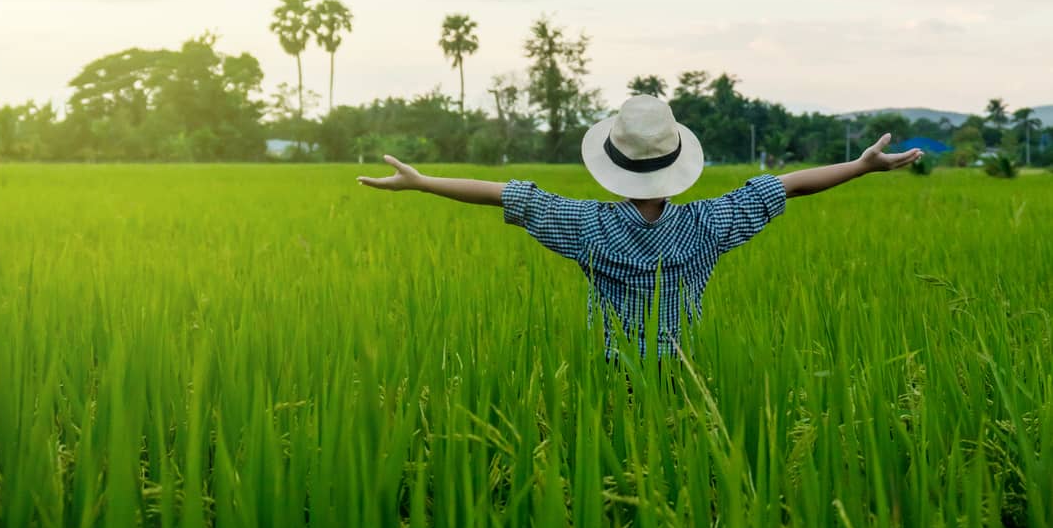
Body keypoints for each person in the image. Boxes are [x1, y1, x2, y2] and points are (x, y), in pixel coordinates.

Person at [357, 94, 923, 365]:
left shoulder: (584, 225)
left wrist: (423, 180)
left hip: (610, 371)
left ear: (612, 168)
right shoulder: (707, 225)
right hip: (687, 371)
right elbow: (788, 185)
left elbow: (507, 195)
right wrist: (861, 165)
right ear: (677, 165)